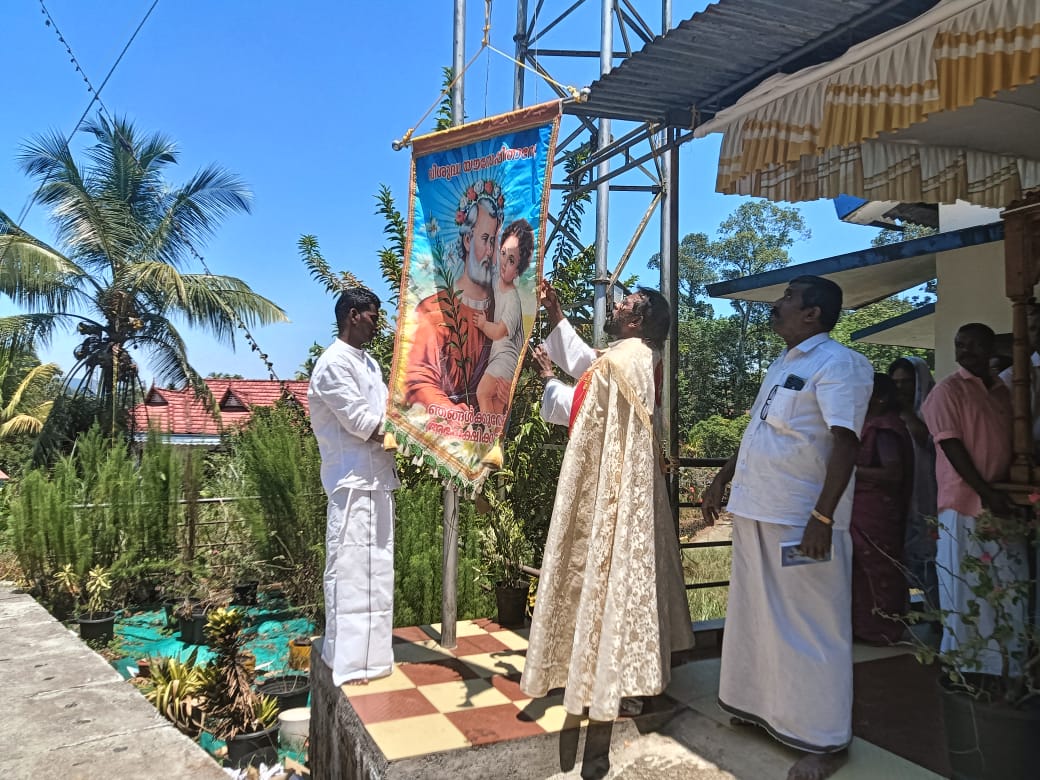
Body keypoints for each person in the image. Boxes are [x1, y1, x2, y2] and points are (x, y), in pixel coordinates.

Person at [701, 275, 873, 780]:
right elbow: (757, 430)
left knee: (812, 625)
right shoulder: (783, 363)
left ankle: (825, 739)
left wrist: (822, 517)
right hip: (757, 509)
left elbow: (846, 442)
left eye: (789, 297)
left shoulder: (839, 364)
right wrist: (722, 479)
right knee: (755, 615)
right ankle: (759, 708)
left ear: (813, 313)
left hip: (802, 521)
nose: (778, 304)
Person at [520, 280, 695, 722]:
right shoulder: (636, 356)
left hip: (616, 485)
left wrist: (548, 381)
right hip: (632, 485)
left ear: (637, 320)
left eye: (625, 303)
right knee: (630, 573)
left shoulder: (624, 361)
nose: (615, 305)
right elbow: (589, 367)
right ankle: (632, 669)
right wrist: (555, 313)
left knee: (613, 571)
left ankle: (620, 680)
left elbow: (584, 405)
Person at [920, 323, 1025, 675]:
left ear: (990, 349)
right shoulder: (948, 390)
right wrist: (986, 491)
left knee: (1006, 583)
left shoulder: (1001, 391)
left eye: (974, 345)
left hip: (1002, 500)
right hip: (965, 503)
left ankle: (1005, 666)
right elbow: (951, 445)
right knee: (965, 588)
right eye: (960, 344)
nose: (965, 351)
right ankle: (967, 666)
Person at [308, 287, 400, 685]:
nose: (377, 324)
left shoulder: (370, 364)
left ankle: (373, 660)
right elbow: (364, 422)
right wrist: (416, 438)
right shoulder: (332, 364)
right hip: (351, 484)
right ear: (352, 315)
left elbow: (389, 413)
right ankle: (348, 662)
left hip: (378, 482)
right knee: (350, 574)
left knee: (378, 574)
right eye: (373, 316)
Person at [404, 181, 502, 414]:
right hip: (447, 429)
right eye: (485, 239)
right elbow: (418, 380)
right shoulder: (432, 309)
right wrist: (450, 413)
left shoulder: (500, 312)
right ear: (467, 240)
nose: (490, 252)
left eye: (495, 242)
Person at [850, 373, 914, 644]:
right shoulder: (869, 424)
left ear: (880, 397)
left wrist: (850, 471)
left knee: (878, 566)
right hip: (863, 509)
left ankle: (884, 629)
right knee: (861, 568)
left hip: (876, 511)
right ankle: (865, 627)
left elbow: (892, 472)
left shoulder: (884, 427)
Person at [888, 356, 939, 614]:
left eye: (906, 382)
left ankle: (937, 613)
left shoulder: (933, 408)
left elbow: (929, 441)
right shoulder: (887, 413)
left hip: (928, 489)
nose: (900, 388)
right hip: (898, 492)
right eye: (895, 382)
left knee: (931, 554)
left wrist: (907, 413)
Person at [474, 218, 534, 417]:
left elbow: (500, 331)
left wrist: (483, 325)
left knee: (483, 392)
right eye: (503, 254)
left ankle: (488, 432)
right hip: (498, 357)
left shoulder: (513, 300)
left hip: (506, 360)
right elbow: (491, 259)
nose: (504, 263)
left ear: (517, 271)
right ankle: (492, 436)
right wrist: (497, 230)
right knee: (497, 410)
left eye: (511, 261)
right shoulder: (497, 279)